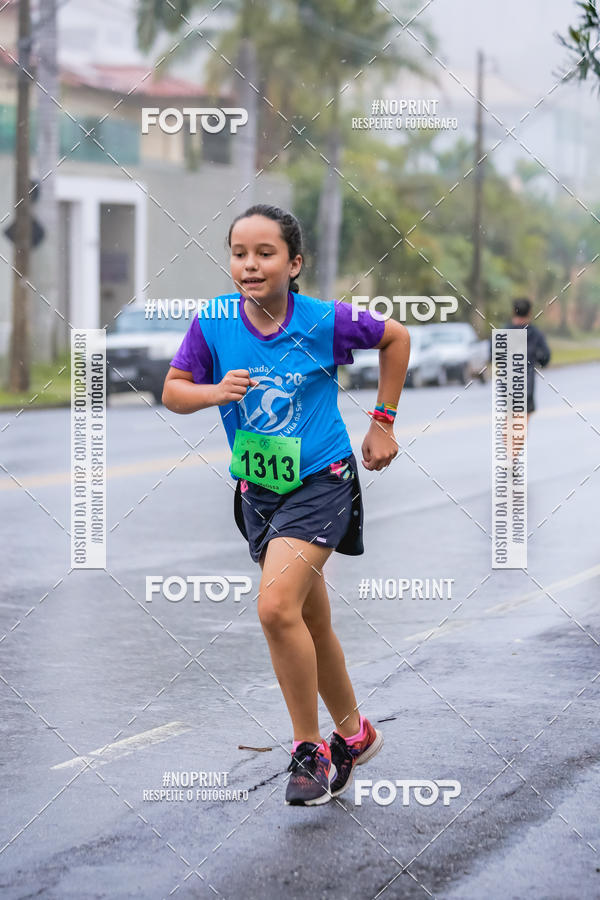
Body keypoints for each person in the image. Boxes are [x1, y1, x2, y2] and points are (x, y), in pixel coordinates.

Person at [162, 204, 410, 806]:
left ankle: (310, 750)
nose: (250, 265)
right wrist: (212, 392)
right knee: (309, 620)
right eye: (240, 253)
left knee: (275, 608)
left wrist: (382, 423)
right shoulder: (215, 322)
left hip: (321, 481)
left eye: (265, 253)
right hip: (258, 490)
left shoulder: (324, 321)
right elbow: (172, 391)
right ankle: (355, 733)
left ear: (293, 263)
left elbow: (396, 337)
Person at [503, 297, 551, 421]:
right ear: (529, 312)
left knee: (507, 424)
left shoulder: (504, 332)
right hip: (526, 386)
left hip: (506, 385)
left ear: (513, 311)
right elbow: (545, 358)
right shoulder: (535, 334)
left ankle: (508, 440)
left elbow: (493, 355)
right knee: (521, 427)